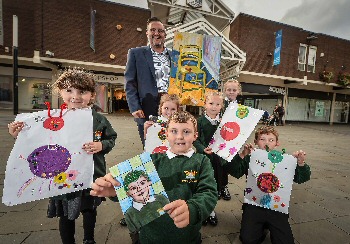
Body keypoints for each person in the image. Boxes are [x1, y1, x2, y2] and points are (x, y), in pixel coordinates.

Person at [8, 68, 118, 244]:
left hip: (91, 174)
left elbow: (111, 138)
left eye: (82, 91)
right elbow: (37, 141)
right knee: (66, 214)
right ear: (60, 92)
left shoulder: (98, 119)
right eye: (69, 90)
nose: (75, 96)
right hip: (63, 177)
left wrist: (101, 145)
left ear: (91, 95)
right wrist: (19, 135)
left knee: (90, 209)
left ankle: (89, 239)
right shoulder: (52, 118)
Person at [90, 111, 218, 244]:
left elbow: (208, 192)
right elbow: (132, 188)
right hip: (150, 236)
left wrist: (193, 209)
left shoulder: (201, 161)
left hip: (186, 237)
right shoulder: (151, 160)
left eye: (186, 132)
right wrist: (115, 190)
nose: (180, 136)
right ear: (166, 134)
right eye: (174, 131)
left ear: (195, 136)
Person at [225, 126, 311, 244]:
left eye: (271, 140)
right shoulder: (250, 157)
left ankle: (265, 225)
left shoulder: (284, 160)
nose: (267, 143)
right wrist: (242, 155)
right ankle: (260, 227)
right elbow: (234, 171)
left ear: (277, 143)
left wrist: (300, 163)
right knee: (248, 239)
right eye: (262, 139)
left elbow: (302, 178)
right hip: (254, 204)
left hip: (277, 208)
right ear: (255, 142)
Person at [119, 94, 180, 227]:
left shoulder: (178, 125)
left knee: (163, 186)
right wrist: (146, 129)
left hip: (169, 160)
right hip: (153, 158)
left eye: (173, 109)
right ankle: (136, 215)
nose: (169, 112)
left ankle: (161, 211)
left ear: (177, 110)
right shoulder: (154, 122)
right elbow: (149, 142)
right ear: (160, 108)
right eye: (166, 108)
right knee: (146, 186)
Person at [125, 16, 171, 147]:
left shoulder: (175, 56)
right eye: (153, 30)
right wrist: (134, 107)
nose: (157, 33)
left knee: (171, 142)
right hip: (146, 106)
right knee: (150, 144)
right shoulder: (136, 53)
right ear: (147, 33)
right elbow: (130, 83)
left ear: (165, 34)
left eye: (160, 31)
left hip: (170, 106)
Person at [193, 92, 226, 226]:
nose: (214, 107)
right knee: (202, 185)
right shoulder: (199, 122)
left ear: (222, 106)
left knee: (215, 186)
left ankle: (211, 209)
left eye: (218, 104)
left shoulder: (224, 122)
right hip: (203, 159)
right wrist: (202, 149)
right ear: (205, 104)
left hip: (218, 160)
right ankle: (202, 210)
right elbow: (195, 139)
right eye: (211, 103)